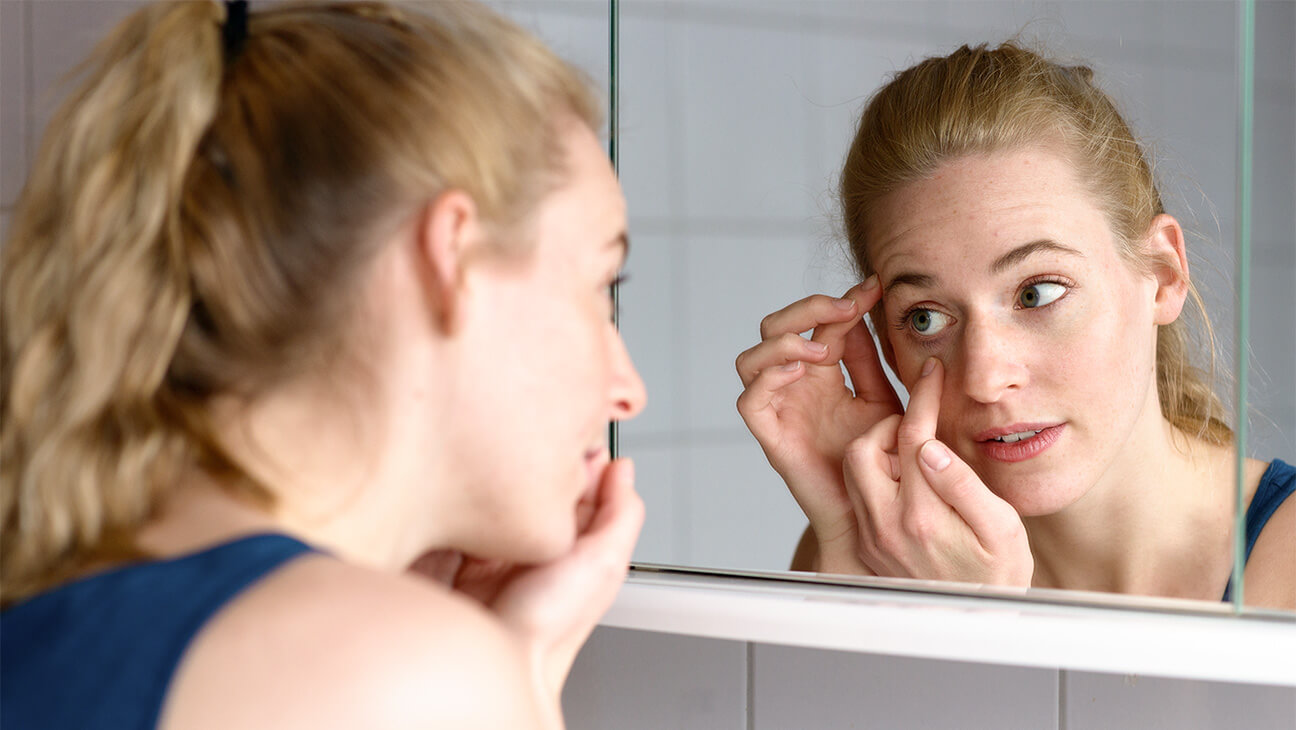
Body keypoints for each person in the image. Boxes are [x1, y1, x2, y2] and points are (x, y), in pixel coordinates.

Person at [0, 1, 647, 727]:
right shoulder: (389, 674)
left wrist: (516, 662)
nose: (628, 391)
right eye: (603, 289)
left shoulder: (64, 593)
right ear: (453, 260)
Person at [735, 42, 1294, 609]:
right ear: (882, 339)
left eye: (1037, 293)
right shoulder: (885, 547)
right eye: (925, 318)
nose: (983, 377)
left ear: (1164, 273)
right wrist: (848, 540)